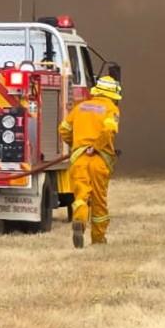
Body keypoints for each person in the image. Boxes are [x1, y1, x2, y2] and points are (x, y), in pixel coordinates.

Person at [59, 75, 121, 248]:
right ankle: (98, 239)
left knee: (81, 195)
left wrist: (75, 144)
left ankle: (79, 219)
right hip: (99, 159)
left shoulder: (81, 107)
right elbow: (109, 129)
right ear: (112, 94)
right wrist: (95, 146)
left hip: (79, 159)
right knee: (98, 200)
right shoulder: (110, 108)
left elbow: (64, 129)